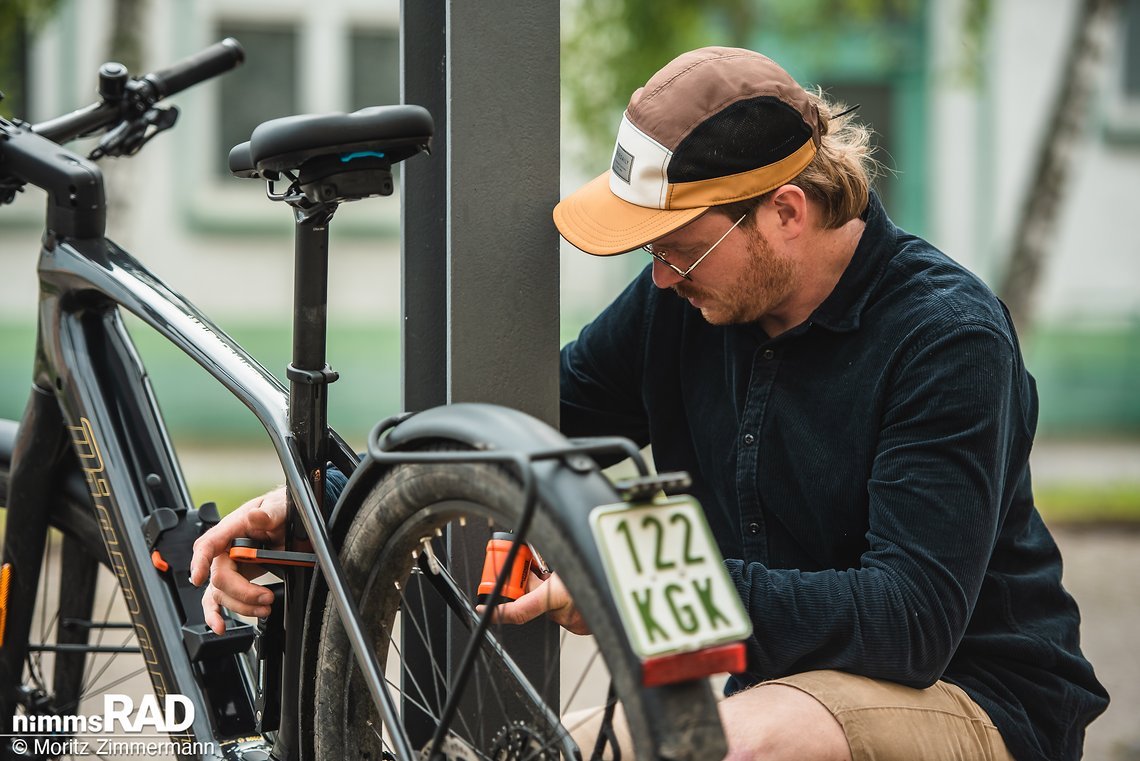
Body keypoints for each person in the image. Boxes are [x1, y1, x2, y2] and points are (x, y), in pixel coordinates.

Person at [191, 47, 1108, 761]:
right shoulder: (692, 297)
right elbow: (523, 434)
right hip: (771, 685)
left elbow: (907, 622)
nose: (660, 276)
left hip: (974, 698)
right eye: (649, 252)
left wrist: (638, 586)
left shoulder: (945, 338)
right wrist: (331, 499)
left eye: (680, 248)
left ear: (787, 211)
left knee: (729, 746)